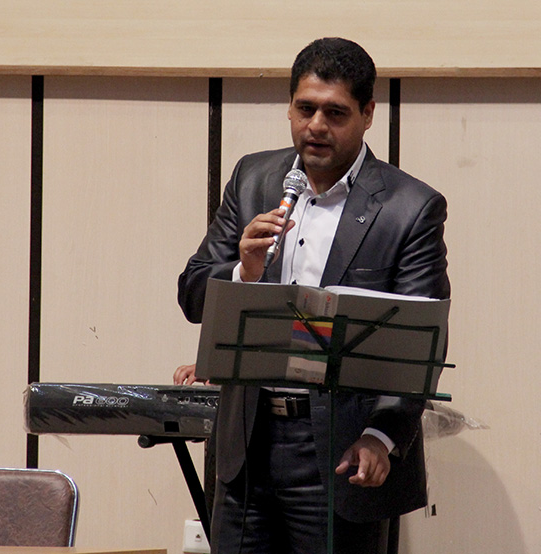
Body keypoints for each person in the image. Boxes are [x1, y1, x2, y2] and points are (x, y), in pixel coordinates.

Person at [176, 37, 450, 554]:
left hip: (341, 451)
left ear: (368, 114)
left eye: (335, 113)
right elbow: (192, 294)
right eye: (305, 109)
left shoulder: (410, 208)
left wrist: (381, 437)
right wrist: (243, 272)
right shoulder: (254, 178)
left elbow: (418, 348)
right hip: (246, 444)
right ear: (289, 107)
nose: (316, 126)